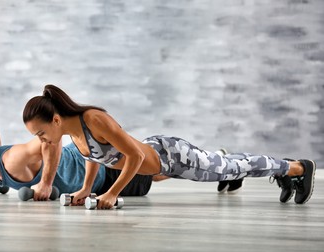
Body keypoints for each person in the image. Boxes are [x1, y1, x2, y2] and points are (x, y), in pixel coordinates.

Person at [22, 84, 316, 209]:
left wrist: (112, 193)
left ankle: (298, 167)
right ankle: (276, 168)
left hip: (171, 156)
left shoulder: (93, 119)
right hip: (161, 164)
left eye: (40, 132)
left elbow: (134, 155)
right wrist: (86, 190)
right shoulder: (74, 134)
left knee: (231, 168)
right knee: (224, 165)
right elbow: (95, 158)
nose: (41, 140)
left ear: (56, 119)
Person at [0, 128, 154, 201]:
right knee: (152, 165)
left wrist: (46, 183)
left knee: (155, 173)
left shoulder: (13, 159)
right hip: (88, 168)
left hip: (101, 171)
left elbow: (53, 138)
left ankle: (176, 160)